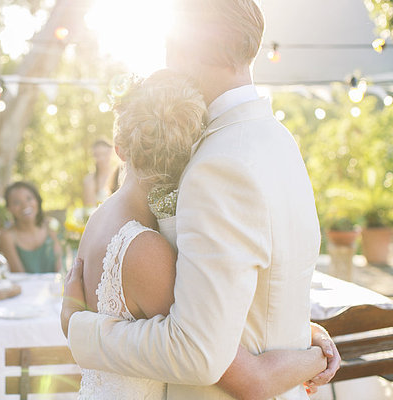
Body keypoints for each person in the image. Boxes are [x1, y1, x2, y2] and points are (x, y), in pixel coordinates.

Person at [61, 1, 341, 399]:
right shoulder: (278, 140)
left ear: (185, 48)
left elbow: (197, 351)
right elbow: (260, 291)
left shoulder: (219, 163)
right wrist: (305, 342)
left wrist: (81, 329)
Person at [0, 182, 62, 273]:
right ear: (9, 209)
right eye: (17, 202)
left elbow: (61, 269)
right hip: (26, 286)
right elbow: (20, 276)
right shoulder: (7, 236)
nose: (25, 205)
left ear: (37, 200)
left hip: (55, 285)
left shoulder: (51, 226)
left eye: (29, 198)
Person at [82, 139, 117, 206]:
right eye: (97, 155)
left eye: (104, 154)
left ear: (111, 153)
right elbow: (89, 207)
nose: (101, 158)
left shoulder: (119, 176)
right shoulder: (89, 180)